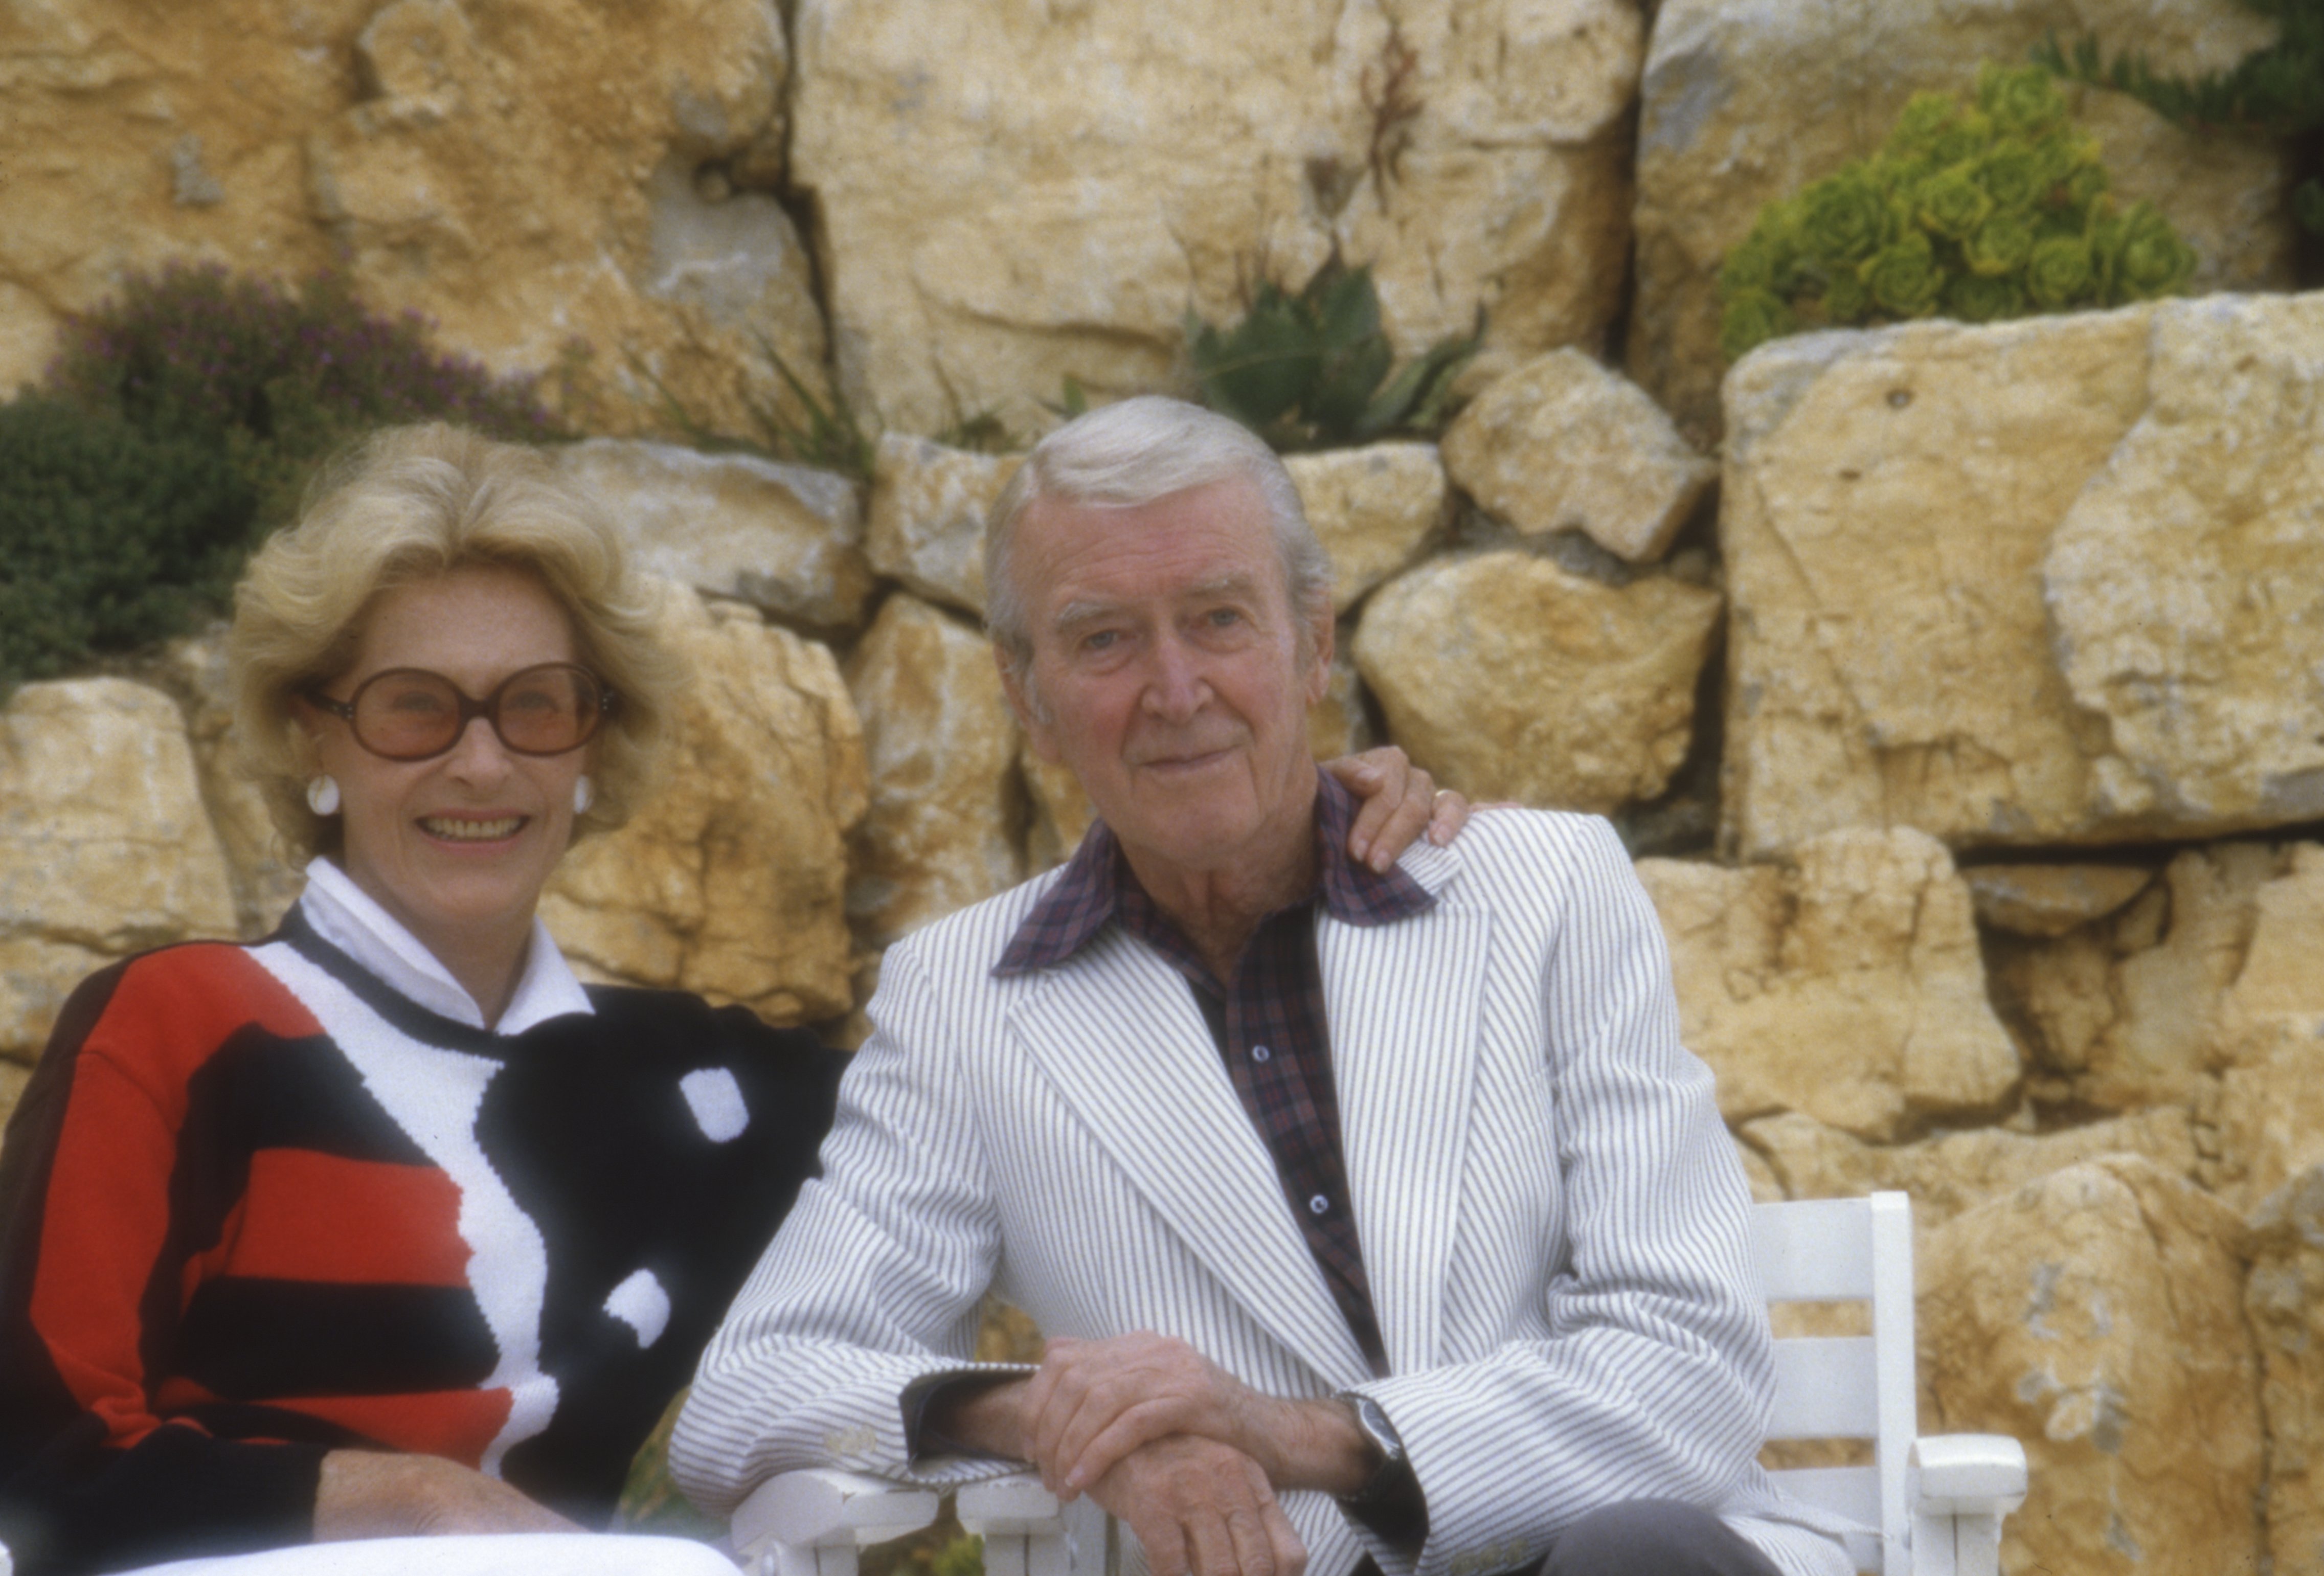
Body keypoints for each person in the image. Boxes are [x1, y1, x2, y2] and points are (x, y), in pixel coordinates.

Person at [0, 419, 1477, 1576]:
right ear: (313, 735)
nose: (479, 763)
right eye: (409, 709)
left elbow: (1016, 1087)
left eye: (536, 706)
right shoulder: (181, 1023)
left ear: (594, 749)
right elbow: (38, 1463)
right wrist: (415, 1503)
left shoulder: (701, 1095)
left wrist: (1282, 821)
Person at [671, 397, 1857, 1576]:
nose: (1176, 687)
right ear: (1026, 698)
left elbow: (1690, 1366)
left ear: (1313, 640)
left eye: (1218, 618)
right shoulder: (962, 1000)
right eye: (1102, 640)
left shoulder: (1544, 891)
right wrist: (1051, 1413)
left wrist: (1293, 1434)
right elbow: (748, 1392)